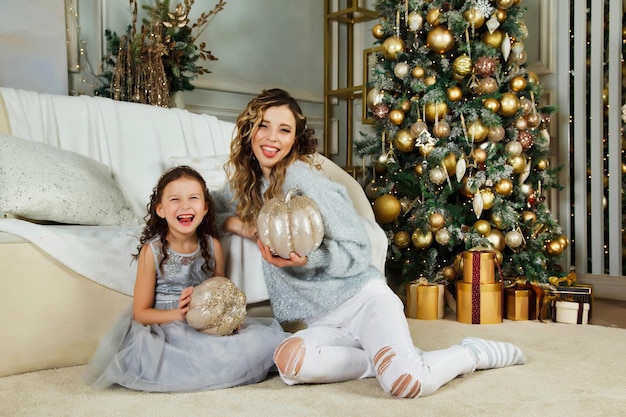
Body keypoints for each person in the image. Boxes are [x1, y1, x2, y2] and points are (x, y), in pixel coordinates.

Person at [212, 88, 527, 399]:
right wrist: (239, 224)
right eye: (263, 125)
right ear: (249, 129)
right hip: (322, 319)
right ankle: (381, 361)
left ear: (295, 139)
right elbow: (211, 209)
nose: (271, 138)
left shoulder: (304, 180)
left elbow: (359, 248)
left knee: (408, 383)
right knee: (289, 362)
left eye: (284, 130)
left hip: (361, 300)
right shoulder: (248, 182)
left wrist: (308, 260)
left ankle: (471, 354)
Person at [83, 165, 287, 392]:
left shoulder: (213, 246)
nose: (185, 205)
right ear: (160, 209)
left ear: (205, 206)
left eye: (193, 198)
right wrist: (181, 314)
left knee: (258, 344)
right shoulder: (153, 252)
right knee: (176, 363)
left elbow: (221, 294)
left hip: (205, 325)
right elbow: (141, 313)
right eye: (175, 200)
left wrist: (228, 321)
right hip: (167, 327)